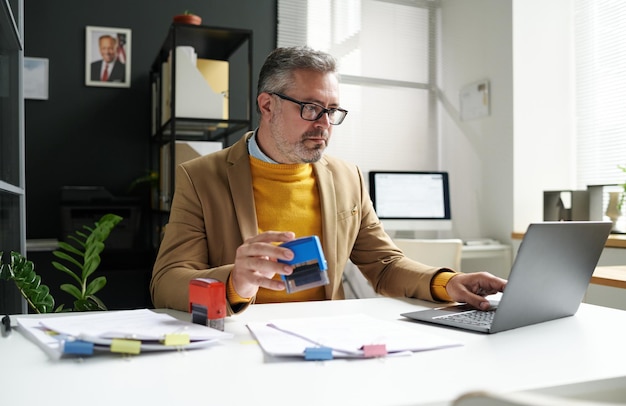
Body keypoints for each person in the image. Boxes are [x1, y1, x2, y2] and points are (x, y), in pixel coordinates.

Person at [151, 46, 507, 315]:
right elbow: (166, 282)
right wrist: (234, 281)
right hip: (239, 340)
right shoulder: (200, 177)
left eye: (331, 110)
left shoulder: (347, 177)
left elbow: (385, 265)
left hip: (326, 337)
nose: (323, 124)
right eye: (310, 108)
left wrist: (447, 283)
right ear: (267, 105)